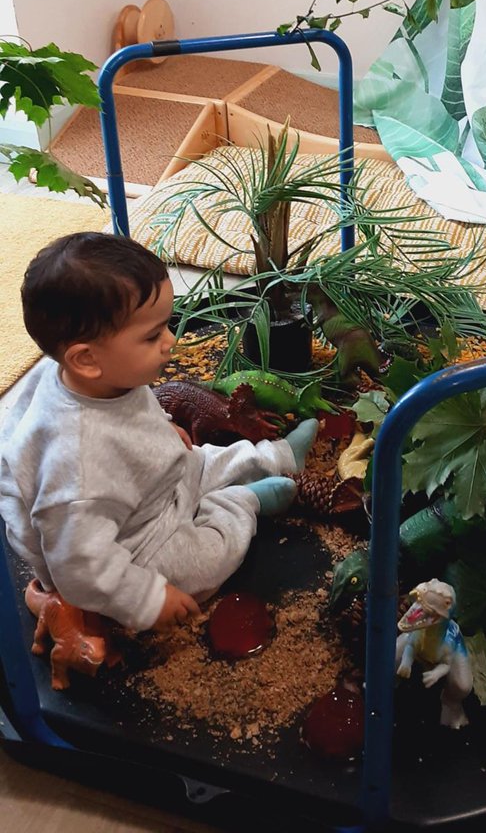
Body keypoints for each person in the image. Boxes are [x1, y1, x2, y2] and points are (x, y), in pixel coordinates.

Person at [0, 232, 318, 631]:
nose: (170, 341)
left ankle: (277, 456)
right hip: (131, 545)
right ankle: (241, 503)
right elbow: (79, 563)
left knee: (201, 459)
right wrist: (146, 596)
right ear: (86, 359)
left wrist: (164, 428)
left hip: (145, 485)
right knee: (203, 563)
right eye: (152, 336)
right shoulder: (76, 466)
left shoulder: (100, 375)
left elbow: (133, 410)